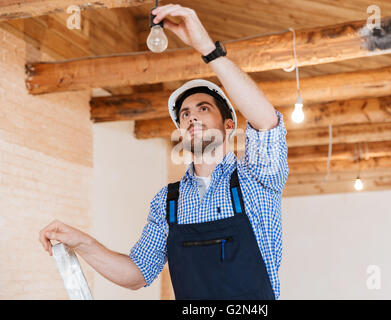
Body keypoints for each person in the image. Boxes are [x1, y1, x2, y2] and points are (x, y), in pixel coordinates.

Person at [39, 4, 288, 300]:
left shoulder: (256, 180)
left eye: (203, 109)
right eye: (184, 114)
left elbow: (267, 122)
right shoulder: (168, 202)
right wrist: (81, 242)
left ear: (229, 125)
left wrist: (207, 48)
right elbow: (137, 273)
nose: (191, 117)